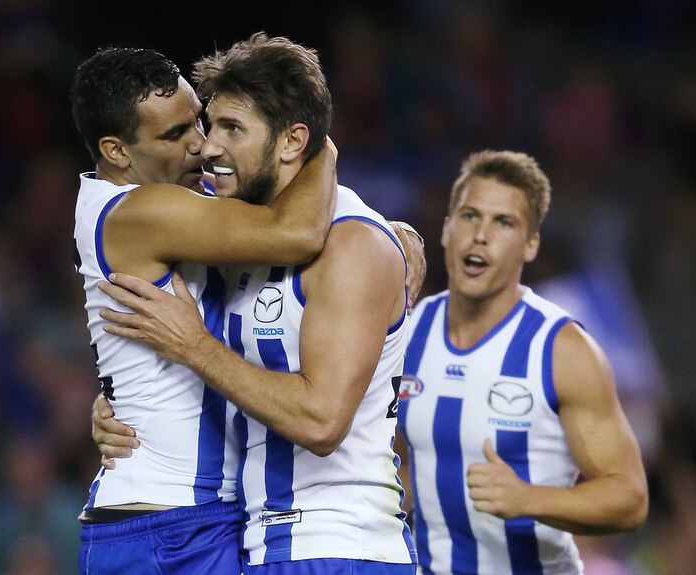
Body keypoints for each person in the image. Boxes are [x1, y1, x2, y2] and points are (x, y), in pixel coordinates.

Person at [94, 32, 419, 574]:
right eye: (209, 124)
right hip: (255, 543)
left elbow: (320, 421)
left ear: (293, 142)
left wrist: (195, 347)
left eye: (232, 129)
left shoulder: (351, 244)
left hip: (340, 547)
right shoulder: (241, 238)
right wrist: (119, 404)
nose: (209, 146)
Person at [70, 43, 340, 574]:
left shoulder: (180, 199)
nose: (202, 144)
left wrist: (399, 234)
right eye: (174, 135)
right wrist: (321, 146)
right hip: (165, 527)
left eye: (198, 120)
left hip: (195, 517)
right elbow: (298, 230)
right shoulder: (136, 210)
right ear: (116, 151)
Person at [394, 150, 648, 574]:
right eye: (470, 216)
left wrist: (527, 498)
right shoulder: (408, 333)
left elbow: (630, 498)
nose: (480, 235)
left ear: (531, 244)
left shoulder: (563, 349)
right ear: (446, 228)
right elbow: (399, 463)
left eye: (503, 222)